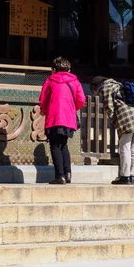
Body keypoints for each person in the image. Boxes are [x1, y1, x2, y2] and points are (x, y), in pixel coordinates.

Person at [90, 76, 134, 185]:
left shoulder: (106, 87)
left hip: (126, 117)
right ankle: (132, 176)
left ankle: (125, 176)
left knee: (125, 147)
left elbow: (109, 107)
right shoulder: (119, 85)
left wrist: (114, 119)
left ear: (96, 86)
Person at [39, 57, 86, 185]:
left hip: (54, 117)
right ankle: (68, 174)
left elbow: (43, 100)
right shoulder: (75, 81)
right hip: (68, 118)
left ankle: (60, 176)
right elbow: (81, 99)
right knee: (63, 145)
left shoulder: (50, 81)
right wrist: (71, 108)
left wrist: (43, 110)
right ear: (69, 69)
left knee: (55, 146)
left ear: (54, 69)